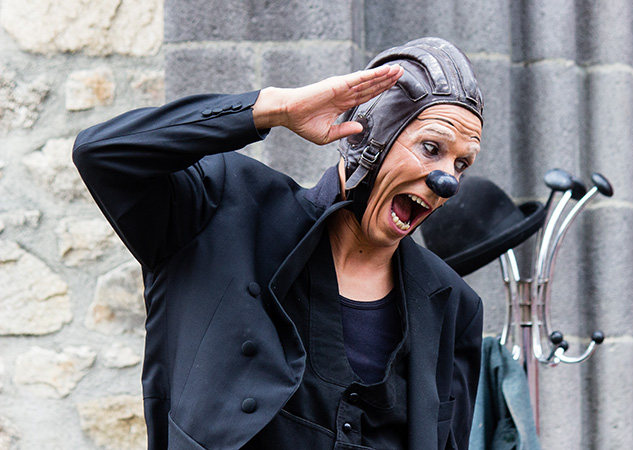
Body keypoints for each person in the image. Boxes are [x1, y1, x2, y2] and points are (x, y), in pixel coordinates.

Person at [73, 37, 484, 450]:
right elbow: (101, 154)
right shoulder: (220, 209)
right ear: (372, 139)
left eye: (461, 164)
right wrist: (273, 110)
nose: (446, 181)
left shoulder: (453, 306)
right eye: (431, 148)